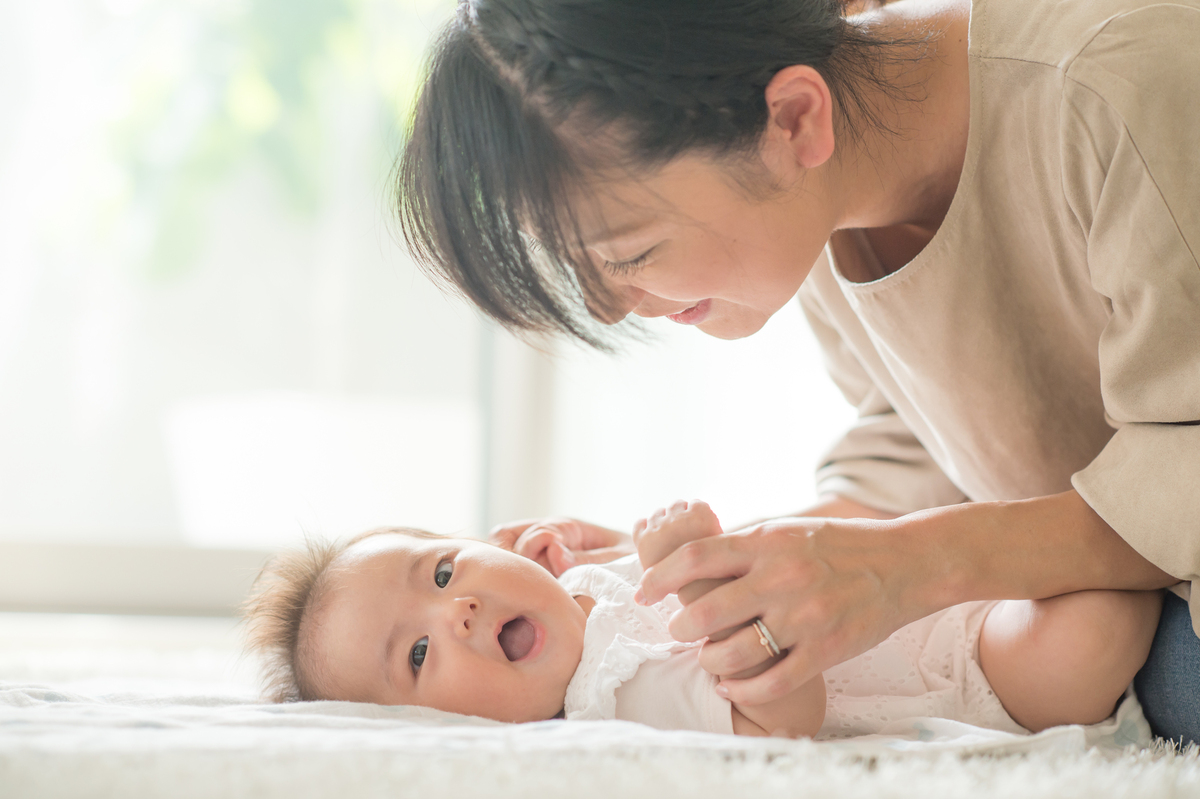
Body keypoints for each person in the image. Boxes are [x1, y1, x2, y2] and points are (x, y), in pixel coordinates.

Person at [396, 0, 1200, 745]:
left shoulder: (1111, 86)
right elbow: (923, 433)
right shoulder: (821, 206)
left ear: (793, 119)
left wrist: (910, 563)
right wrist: (736, 574)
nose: (610, 310)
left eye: (631, 254)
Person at [241, 501, 1159, 739]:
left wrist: (583, 553)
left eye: (443, 569)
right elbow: (777, 718)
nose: (464, 604)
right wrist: (683, 564)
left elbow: (622, 592)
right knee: (1099, 622)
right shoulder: (611, 706)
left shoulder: (579, 605)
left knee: (1056, 512)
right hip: (956, 668)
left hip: (918, 573)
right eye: (417, 650)